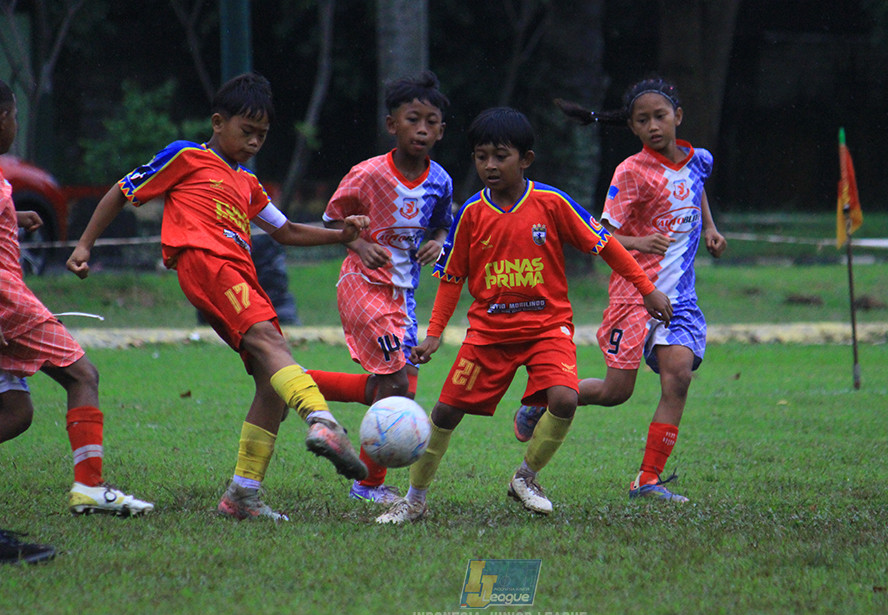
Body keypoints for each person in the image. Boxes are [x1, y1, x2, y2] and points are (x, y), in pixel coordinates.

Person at [67, 72, 370, 522]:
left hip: (239, 275)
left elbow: (283, 230)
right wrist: (84, 244)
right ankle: (322, 421)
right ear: (217, 122)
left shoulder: (248, 183)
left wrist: (340, 235)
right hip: (205, 262)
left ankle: (243, 494)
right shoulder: (186, 156)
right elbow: (123, 190)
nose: (254, 142)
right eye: (246, 131)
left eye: (262, 136)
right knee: (272, 343)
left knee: (271, 376)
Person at [376, 107, 671, 524]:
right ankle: (415, 499)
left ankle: (526, 478)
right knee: (444, 413)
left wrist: (648, 289)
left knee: (565, 398)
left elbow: (607, 247)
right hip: (489, 335)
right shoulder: (470, 215)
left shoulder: (552, 203)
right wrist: (434, 334)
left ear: (525, 159)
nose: (490, 166)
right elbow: (452, 278)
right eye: (481, 157)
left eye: (501, 156)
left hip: (547, 329)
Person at [515, 78, 727, 502]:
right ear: (632, 127)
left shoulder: (699, 159)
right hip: (635, 294)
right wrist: (640, 243)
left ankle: (647, 479)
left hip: (680, 298)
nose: (653, 126)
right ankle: (542, 400)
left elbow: (696, 185)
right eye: (642, 120)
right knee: (617, 392)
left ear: (678, 118)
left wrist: (710, 227)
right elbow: (601, 235)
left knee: (679, 378)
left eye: (660, 116)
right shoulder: (631, 172)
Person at [0, 79, 153, 517]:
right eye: (13, 116)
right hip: (7, 302)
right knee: (82, 374)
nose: (15, 125)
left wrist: (14, 216)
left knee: (16, 411)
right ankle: (90, 487)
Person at [305, 71, 453, 505]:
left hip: (404, 295)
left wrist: (438, 242)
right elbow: (333, 221)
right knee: (395, 383)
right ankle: (367, 486)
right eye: (413, 119)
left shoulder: (440, 180)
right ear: (393, 125)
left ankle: (299, 386)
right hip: (363, 283)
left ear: (441, 130)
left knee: (399, 386)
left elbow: (444, 222)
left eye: (431, 122)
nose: (422, 129)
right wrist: (359, 243)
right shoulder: (367, 174)